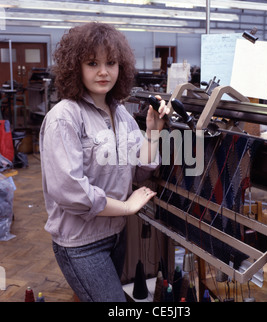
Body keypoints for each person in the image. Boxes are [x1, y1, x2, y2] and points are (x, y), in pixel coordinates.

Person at [39, 22, 169, 302]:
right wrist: (126, 206)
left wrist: (153, 132)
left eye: (111, 62)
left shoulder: (121, 115)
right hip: (81, 244)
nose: (103, 71)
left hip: (115, 235)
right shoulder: (64, 117)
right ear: (76, 67)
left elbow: (141, 169)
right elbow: (70, 191)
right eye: (92, 63)